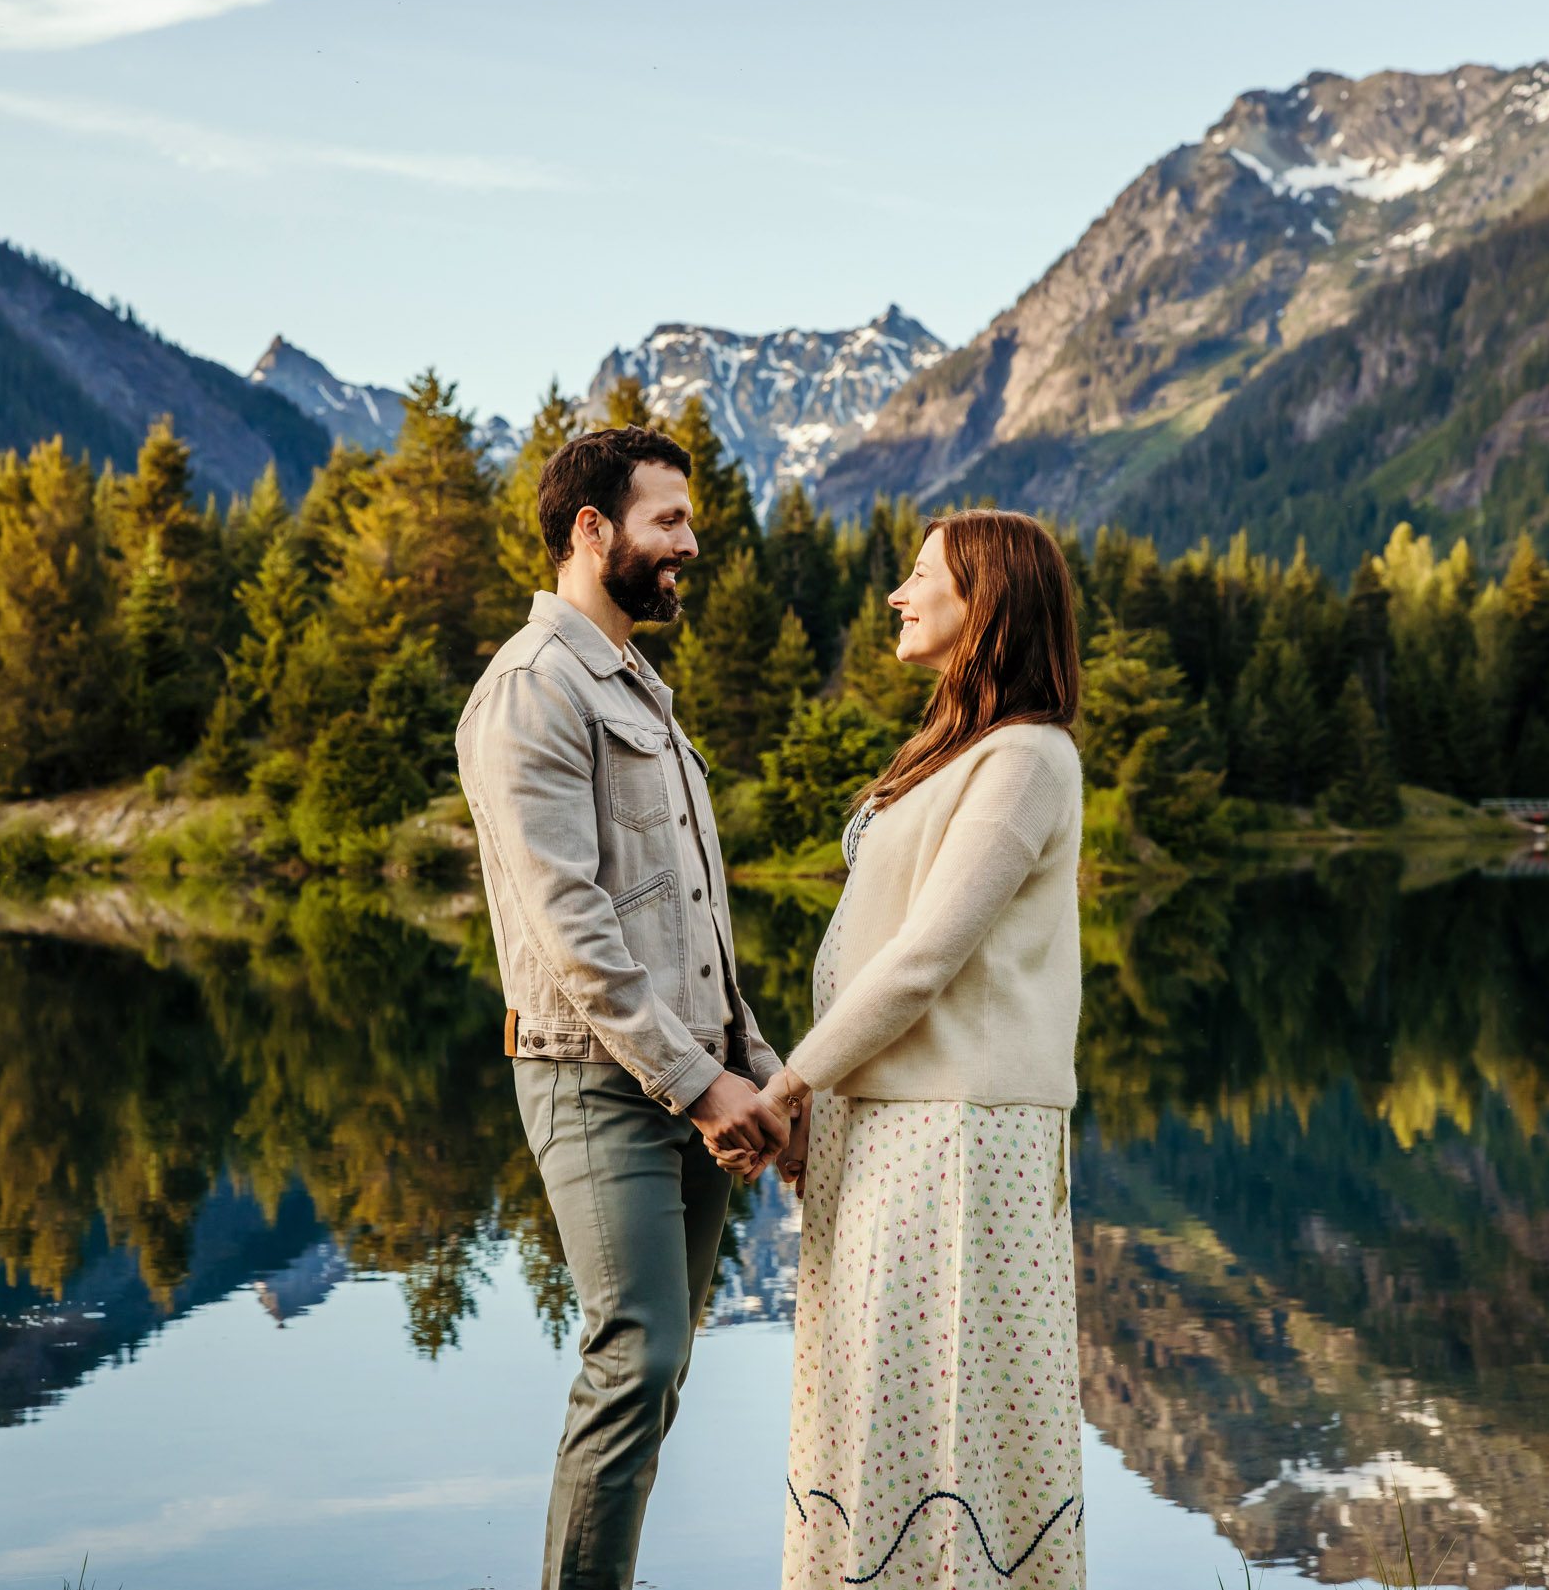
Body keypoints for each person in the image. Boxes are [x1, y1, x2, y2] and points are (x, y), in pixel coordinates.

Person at [455, 423, 794, 1590]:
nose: (689, 545)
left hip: (697, 1070)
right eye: (669, 521)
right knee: (635, 1351)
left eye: (688, 522)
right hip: (594, 1076)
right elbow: (576, 930)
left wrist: (764, 1068)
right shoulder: (528, 692)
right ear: (590, 529)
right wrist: (706, 1088)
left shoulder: (637, 685)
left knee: (663, 1361)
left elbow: (694, 918)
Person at [726, 509, 1087, 1587]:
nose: (897, 592)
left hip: (960, 1139)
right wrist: (819, 1106)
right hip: (893, 1128)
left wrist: (790, 1082)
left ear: (987, 603)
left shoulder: (1026, 758)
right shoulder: (959, 747)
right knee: (879, 1409)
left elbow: (925, 957)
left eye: (921, 574)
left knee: (942, 1421)